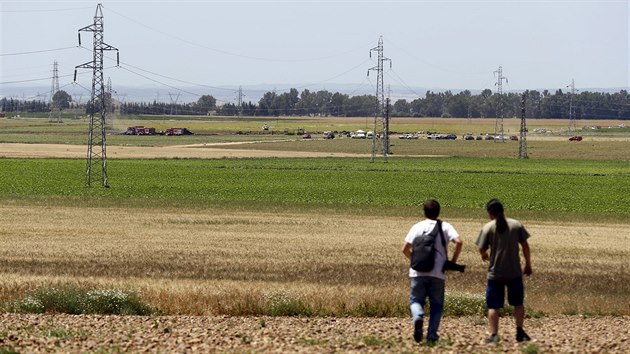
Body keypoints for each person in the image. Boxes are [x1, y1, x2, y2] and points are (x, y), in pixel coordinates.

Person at [402, 199, 463, 343]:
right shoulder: (445, 226)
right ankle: (431, 335)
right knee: (436, 305)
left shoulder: (417, 227)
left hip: (417, 272)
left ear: (424, 212)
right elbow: (459, 242)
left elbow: (404, 249)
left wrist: (414, 261)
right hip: (438, 273)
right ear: (439, 212)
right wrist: (452, 262)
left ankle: (418, 317)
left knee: (416, 300)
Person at [475, 199, 532, 344]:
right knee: (518, 303)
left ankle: (494, 335)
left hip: (495, 273)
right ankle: (519, 332)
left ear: (490, 213)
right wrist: (528, 264)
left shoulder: (488, 227)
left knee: (494, 306)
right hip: (514, 272)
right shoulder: (516, 225)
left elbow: (481, 248)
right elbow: (525, 246)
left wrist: (484, 255)